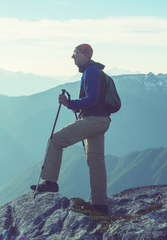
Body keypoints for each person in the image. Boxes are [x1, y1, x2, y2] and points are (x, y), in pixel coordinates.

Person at [30, 43, 111, 215]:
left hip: (93, 120)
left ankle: (50, 182)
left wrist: (69, 103)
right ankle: (100, 204)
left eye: (75, 53)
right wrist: (77, 107)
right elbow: (95, 100)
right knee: (96, 161)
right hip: (102, 120)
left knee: (56, 140)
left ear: (85, 55)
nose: (72, 56)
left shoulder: (89, 71)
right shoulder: (97, 71)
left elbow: (92, 98)